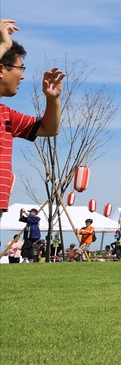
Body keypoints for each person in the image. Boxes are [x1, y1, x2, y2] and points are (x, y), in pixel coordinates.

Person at [0, 21, 64, 227]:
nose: (23, 75)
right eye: (20, 68)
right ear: (1, 69)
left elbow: (49, 129)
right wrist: (2, 44)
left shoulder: (7, 115)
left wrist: (52, 99)